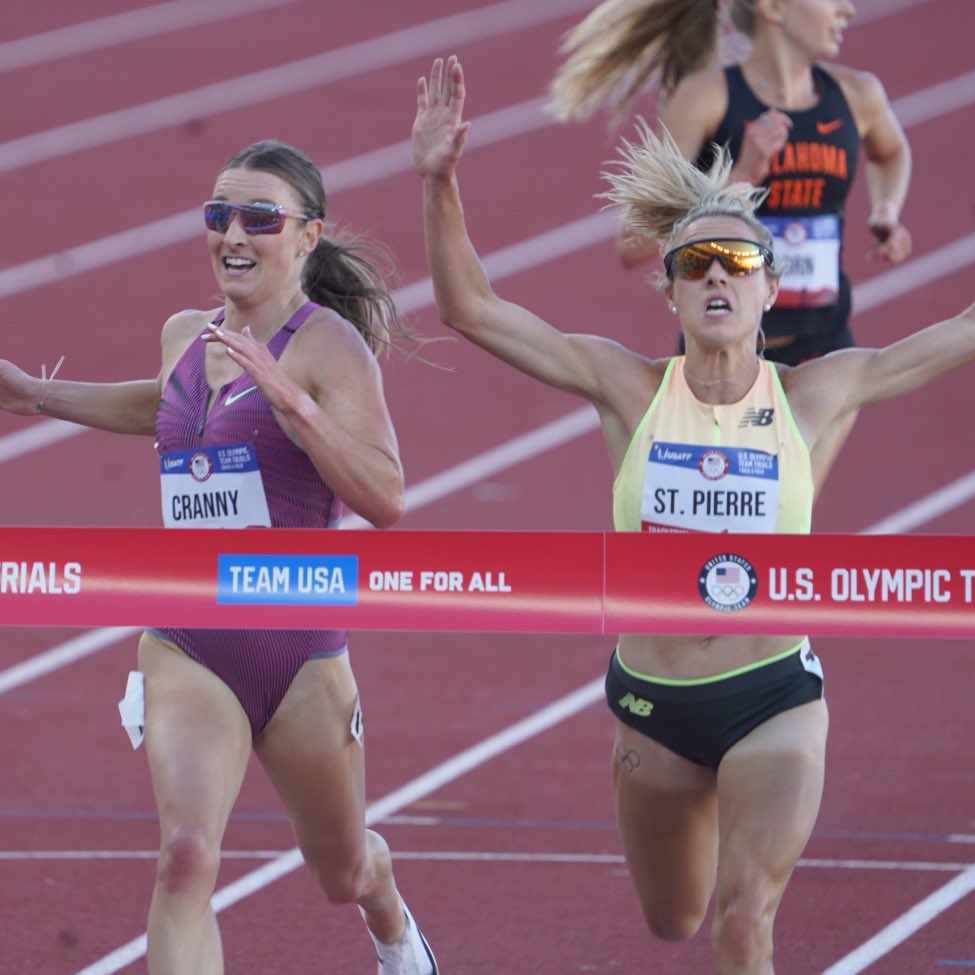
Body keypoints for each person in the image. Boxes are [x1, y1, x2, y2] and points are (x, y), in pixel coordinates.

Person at [413, 56, 974, 974]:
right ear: (669, 291)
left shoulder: (815, 394)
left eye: (740, 261)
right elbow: (468, 308)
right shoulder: (626, 387)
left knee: (742, 916)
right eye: (695, 263)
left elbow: (961, 330)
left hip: (772, 698)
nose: (718, 275)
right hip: (652, 703)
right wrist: (437, 181)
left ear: (769, 290)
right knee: (673, 916)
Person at [0, 140, 437, 975]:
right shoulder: (182, 334)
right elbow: (163, 407)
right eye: (219, 215)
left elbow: (386, 496)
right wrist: (35, 395)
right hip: (190, 639)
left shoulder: (329, 346)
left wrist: (291, 402)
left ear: (307, 237)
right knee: (187, 855)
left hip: (300, 652)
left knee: (341, 869)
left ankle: (389, 915)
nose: (234, 234)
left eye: (259, 218)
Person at [549, 0, 913, 366]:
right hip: (724, 360)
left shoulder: (858, 95)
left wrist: (886, 210)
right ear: (772, 7)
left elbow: (890, 152)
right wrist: (741, 177)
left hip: (826, 350)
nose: (847, 10)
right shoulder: (703, 99)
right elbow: (632, 242)